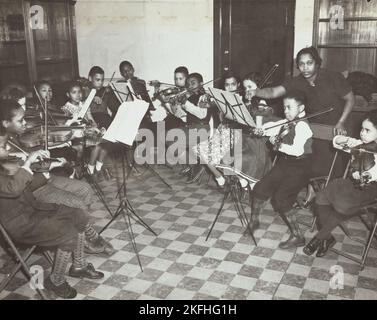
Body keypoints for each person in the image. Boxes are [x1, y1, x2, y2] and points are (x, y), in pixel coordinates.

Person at [0, 100, 114, 254]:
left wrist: (49, 163)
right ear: (5, 123)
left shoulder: (14, 138)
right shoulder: (4, 149)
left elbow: (32, 157)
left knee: (85, 189)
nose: (25, 123)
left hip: (43, 177)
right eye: (20, 120)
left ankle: (85, 235)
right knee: (76, 204)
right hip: (35, 189)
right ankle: (84, 240)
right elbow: (17, 183)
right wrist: (35, 166)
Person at [0, 150, 104, 299]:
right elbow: (13, 189)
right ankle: (56, 281)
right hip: (21, 224)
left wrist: (46, 170)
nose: (6, 148)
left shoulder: (4, 164)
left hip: (34, 210)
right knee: (69, 232)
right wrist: (28, 162)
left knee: (79, 215)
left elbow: (26, 187)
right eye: (2, 145)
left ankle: (79, 266)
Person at [246, 46, 355, 180]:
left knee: (328, 167)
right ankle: (310, 190)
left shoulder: (333, 77)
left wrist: (341, 122)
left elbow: (350, 99)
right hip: (311, 126)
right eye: (301, 64)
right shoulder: (296, 81)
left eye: (309, 63)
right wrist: (257, 92)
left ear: (317, 63)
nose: (305, 68)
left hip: (336, 125)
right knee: (307, 160)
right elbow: (273, 92)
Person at [303, 112, 377, 257]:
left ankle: (319, 238)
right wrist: (343, 139)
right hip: (351, 183)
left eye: (367, 130)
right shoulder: (359, 145)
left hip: (369, 188)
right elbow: (336, 142)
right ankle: (327, 238)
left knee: (342, 205)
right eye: (362, 129)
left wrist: (366, 175)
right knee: (321, 197)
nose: (362, 133)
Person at [251, 90, 313, 248]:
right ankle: (254, 221)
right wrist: (261, 130)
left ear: (301, 108)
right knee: (260, 188)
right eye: (284, 107)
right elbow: (271, 128)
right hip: (284, 163)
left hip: (300, 166)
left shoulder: (303, 126)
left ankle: (298, 236)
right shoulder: (286, 122)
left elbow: (297, 150)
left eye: (289, 108)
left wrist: (278, 145)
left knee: (281, 199)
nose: (286, 111)